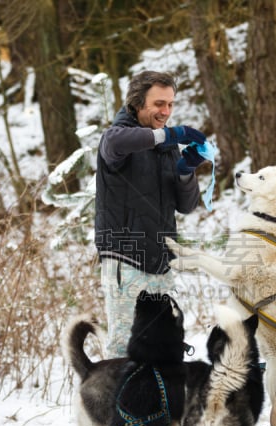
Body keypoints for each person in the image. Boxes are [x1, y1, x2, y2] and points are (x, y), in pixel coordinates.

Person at [94, 70, 208, 357]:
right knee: (124, 352)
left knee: (164, 349)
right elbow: (117, 141)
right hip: (126, 260)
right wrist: (168, 134)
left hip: (160, 262)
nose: (166, 111)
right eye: (159, 104)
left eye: (170, 104)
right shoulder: (116, 138)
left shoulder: (166, 147)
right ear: (137, 103)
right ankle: (116, 403)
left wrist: (186, 172)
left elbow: (186, 205)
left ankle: (158, 404)